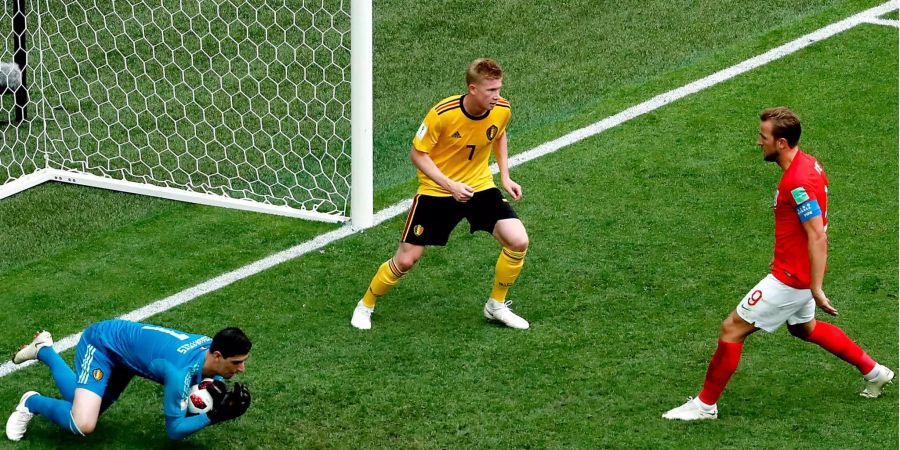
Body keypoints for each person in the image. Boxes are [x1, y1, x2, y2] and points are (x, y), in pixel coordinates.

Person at [663, 107, 894, 421]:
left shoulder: (797, 183)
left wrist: (815, 287)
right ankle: (874, 371)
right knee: (804, 328)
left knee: (731, 330)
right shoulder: (809, 163)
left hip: (790, 278)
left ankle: (705, 406)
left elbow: (817, 236)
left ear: (781, 143)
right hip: (798, 274)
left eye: (763, 137)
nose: (759, 142)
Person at [351, 58, 530, 330]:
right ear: (472, 89)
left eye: (499, 89)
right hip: (437, 191)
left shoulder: (502, 109)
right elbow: (417, 154)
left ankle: (496, 305)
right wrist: (450, 186)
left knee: (518, 241)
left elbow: (499, 134)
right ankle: (366, 304)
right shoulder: (443, 114)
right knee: (406, 259)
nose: (497, 96)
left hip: (479, 186)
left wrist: (505, 175)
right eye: (491, 91)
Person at [5, 319, 252, 440]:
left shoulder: (209, 353)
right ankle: (31, 402)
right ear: (218, 355)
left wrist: (213, 399)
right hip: (102, 345)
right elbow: (174, 430)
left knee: (78, 401)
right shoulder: (180, 373)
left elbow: (194, 398)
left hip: (126, 359)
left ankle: (44, 350)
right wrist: (214, 415)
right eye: (237, 362)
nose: (241, 369)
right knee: (83, 423)